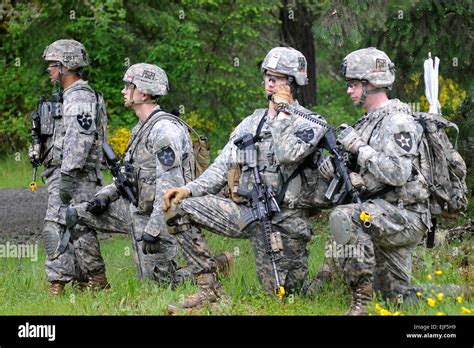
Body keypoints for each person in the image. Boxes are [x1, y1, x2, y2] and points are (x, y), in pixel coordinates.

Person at [162, 47, 329, 307]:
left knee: (284, 297)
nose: (271, 82)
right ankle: (208, 290)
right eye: (267, 76)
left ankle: (327, 275)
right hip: (247, 212)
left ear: (294, 82)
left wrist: (282, 113)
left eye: (279, 77)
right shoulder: (250, 122)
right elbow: (221, 167)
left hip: (285, 222)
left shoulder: (310, 122)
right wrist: (189, 190)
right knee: (178, 209)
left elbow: (287, 154)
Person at [66, 63, 230, 303]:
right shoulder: (140, 128)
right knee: (76, 215)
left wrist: (153, 230)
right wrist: (104, 196)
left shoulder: (164, 131)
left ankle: (214, 266)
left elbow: (170, 191)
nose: (123, 91)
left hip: (160, 218)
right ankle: (97, 282)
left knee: (160, 285)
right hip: (134, 209)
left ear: (142, 93)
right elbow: (128, 174)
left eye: (128, 86)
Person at [321, 47, 432, 315]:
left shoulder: (397, 120)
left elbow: (398, 173)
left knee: (345, 217)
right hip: (383, 211)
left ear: (370, 85)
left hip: (405, 215)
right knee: (398, 297)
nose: (349, 91)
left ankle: (361, 302)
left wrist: (360, 149)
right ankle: (462, 292)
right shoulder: (368, 122)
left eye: (353, 85)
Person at [28, 39, 108, 296]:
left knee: (64, 225)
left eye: (54, 64)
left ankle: (63, 285)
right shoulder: (70, 97)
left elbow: (80, 140)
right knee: (74, 226)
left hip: (75, 176)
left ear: (67, 66)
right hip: (66, 173)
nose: (49, 69)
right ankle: (87, 280)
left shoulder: (80, 96)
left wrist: (67, 176)